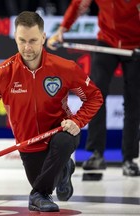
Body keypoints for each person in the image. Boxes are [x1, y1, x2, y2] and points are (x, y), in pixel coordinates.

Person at [0, 11, 103, 212]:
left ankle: (38, 194)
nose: (27, 48)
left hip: (58, 133)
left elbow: (94, 96)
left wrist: (78, 121)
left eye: (33, 41)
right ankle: (64, 169)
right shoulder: (1, 74)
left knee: (63, 144)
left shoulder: (65, 68)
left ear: (44, 38)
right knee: (41, 177)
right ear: (15, 38)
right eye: (22, 41)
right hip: (28, 145)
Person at [47, 0, 140, 176]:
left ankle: (129, 159)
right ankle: (96, 154)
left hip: (135, 45)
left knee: (134, 101)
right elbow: (78, 5)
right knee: (95, 96)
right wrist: (61, 31)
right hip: (106, 41)